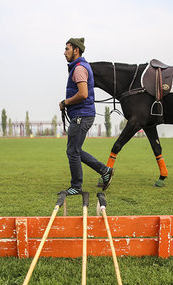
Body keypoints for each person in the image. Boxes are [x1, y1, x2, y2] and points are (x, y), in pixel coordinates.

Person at [59, 37, 114, 195]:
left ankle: (76, 186)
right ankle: (105, 171)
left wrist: (66, 102)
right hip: (82, 114)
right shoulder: (81, 66)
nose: (64, 53)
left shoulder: (78, 68)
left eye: (67, 49)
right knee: (74, 150)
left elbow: (83, 94)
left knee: (72, 151)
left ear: (76, 50)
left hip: (81, 115)